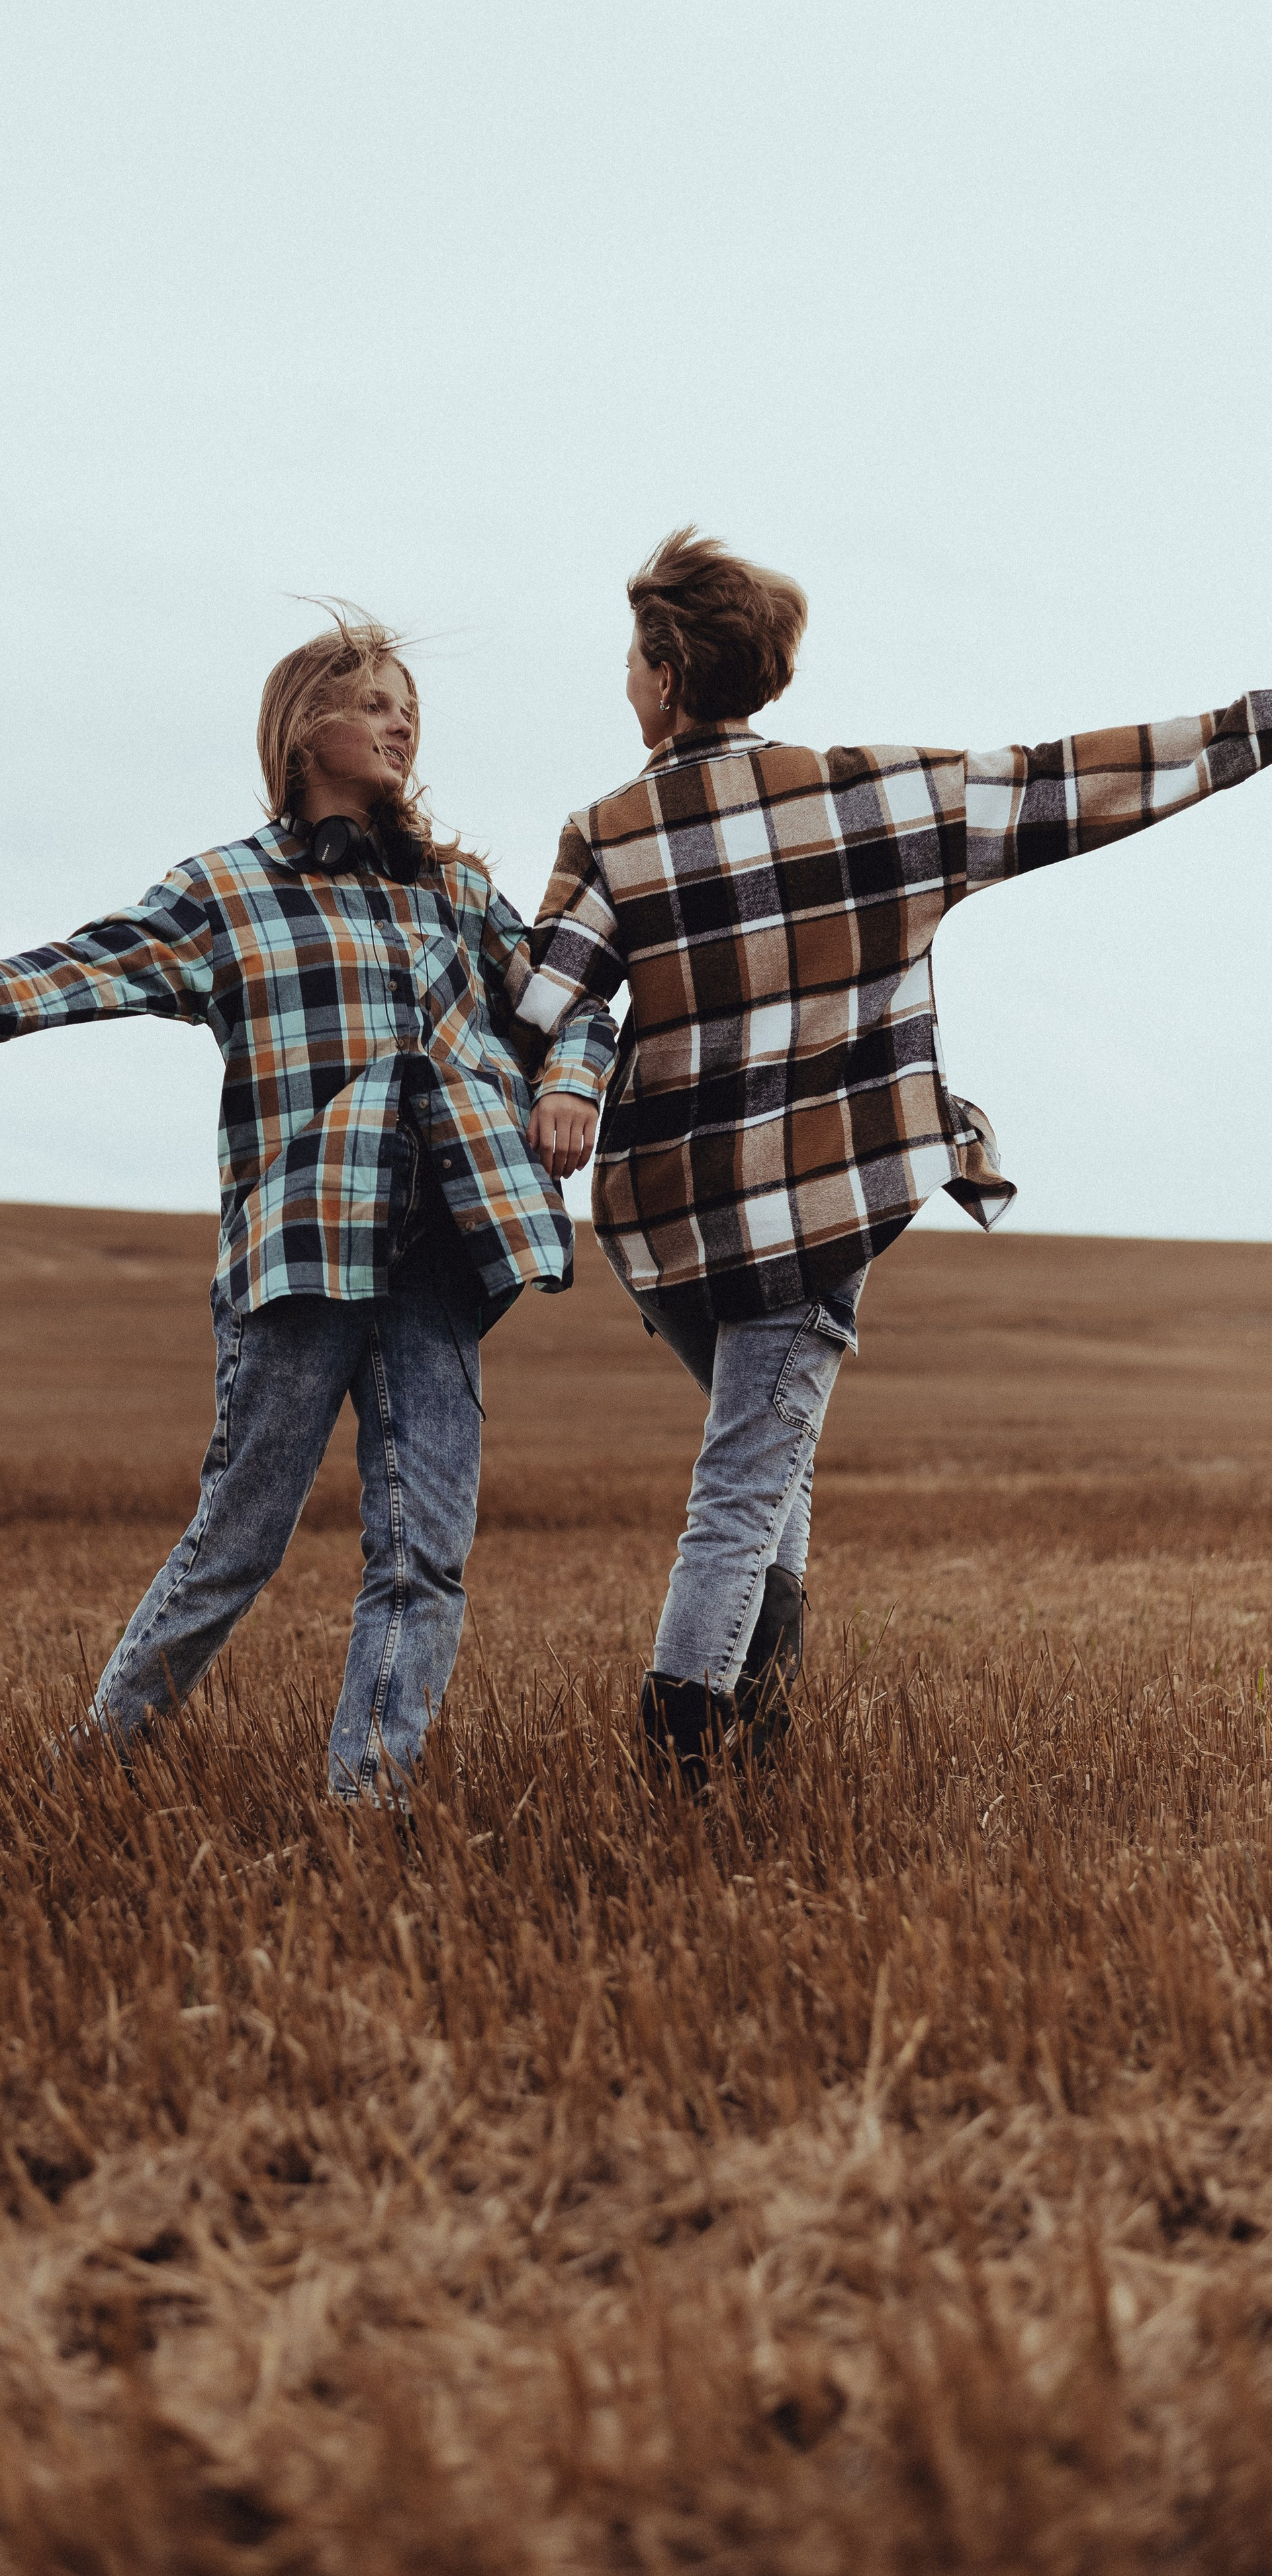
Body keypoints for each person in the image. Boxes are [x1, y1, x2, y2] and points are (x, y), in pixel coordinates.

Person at [518, 527, 1271, 1784]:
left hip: (670, 1226)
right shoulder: (878, 795)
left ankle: (757, 1728)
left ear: (666, 673)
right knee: (751, 1473)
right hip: (823, 1202)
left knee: (768, 1450)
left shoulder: (609, 832)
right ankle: (685, 1749)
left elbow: (544, 1004)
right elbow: (1068, 782)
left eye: (633, 661)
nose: (629, 681)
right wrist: (1253, 727)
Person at [0, 615, 615, 1802]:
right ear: (304, 730)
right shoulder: (227, 891)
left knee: (425, 1555)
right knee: (237, 1545)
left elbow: (573, 1006)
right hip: (303, 1250)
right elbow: (87, 965)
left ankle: (369, 1803)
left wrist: (567, 1088)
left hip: (445, 1250)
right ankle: (92, 1770)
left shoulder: (455, 890)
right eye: (374, 702)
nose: (401, 723)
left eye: (410, 707)